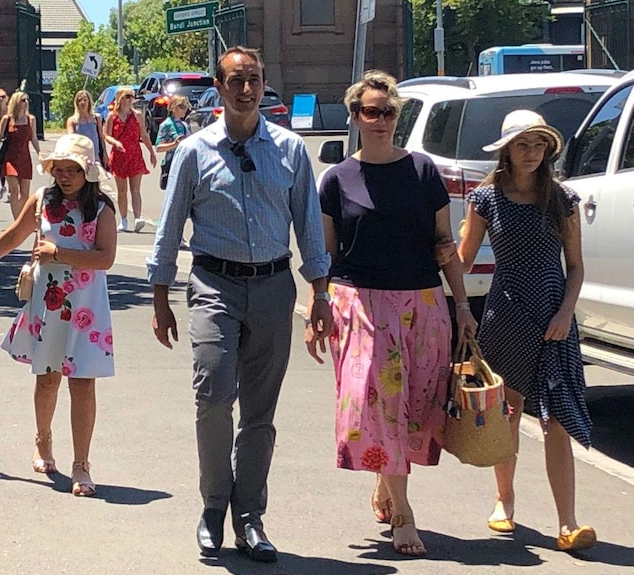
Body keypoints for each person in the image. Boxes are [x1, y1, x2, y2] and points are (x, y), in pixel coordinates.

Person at [147, 46, 332, 563]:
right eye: (235, 81)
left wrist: (320, 293)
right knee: (211, 395)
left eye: (253, 80)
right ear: (219, 88)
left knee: (260, 411)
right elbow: (168, 229)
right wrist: (159, 298)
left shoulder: (292, 151)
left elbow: (309, 228)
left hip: (274, 289)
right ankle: (213, 507)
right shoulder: (194, 151)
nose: (245, 89)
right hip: (213, 285)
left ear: (263, 84)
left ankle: (250, 516)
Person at [305, 70, 477, 557]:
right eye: (369, 111)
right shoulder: (336, 179)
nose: (379, 120)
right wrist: (314, 307)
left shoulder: (422, 171)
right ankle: (404, 512)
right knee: (377, 403)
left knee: (416, 408)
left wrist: (462, 305)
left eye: (388, 111)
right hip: (359, 302)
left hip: (422, 302)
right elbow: (325, 254)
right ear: (355, 116)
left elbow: (444, 245)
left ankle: (386, 483)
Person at [458, 110, 595, 551]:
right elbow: (461, 261)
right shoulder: (486, 199)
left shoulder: (563, 199)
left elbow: (575, 268)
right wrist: (446, 300)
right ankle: (505, 500)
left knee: (558, 420)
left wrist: (564, 313)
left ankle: (568, 523)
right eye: (523, 145)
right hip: (505, 315)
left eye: (539, 145)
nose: (532, 153)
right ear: (506, 151)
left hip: (554, 317)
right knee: (509, 412)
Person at [0, 134, 116, 496]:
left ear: (87, 173)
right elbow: (14, 236)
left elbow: (105, 259)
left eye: (71, 170)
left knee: (82, 382)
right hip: (49, 304)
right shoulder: (42, 201)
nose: (63, 176)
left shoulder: (102, 208)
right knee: (47, 378)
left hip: (86, 309)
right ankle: (43, 439)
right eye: (58, 169)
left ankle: (81, 464)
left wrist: (58, 252)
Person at [104, 86, 156, 233]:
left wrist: (151, 152)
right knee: (122, 190)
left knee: (135, 190)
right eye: (127, 96)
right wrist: (115, 143)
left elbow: (144, 136)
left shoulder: (138, 115)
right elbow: (106, 135)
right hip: (119, 155)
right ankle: (124, 219)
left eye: (132, 96)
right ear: (120, 98)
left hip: (134, 154)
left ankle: (138, 218)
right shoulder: (112, 116)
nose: (130, 99)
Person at [0, 91, 40, 220]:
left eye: (27, 100)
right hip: (10, 159)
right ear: (16, 102)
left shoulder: (31, 119)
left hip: (25, 158)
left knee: (25, 193)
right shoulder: (7, 119)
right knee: (14, 190)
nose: (26, 103)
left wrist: (40, 153)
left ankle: (22, 219)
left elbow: (34, 138)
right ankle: (16, 220)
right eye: (23, 100)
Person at [154, 95, 192, 248]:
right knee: (175, 200)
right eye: (182, 106)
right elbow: (158, 147)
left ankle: (178, 234)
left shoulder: (184, 125)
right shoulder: (167, 125)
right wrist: (174, 144)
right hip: (172, 165)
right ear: (173, 108)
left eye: (185, 107)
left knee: (187, 201)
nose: (184, 110)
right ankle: (173, 235)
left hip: (185, 164)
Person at [66, 90, 107, 168]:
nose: (83, 102)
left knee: (95, 179)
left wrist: (105, 155)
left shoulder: (96, 118)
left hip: (95, 156)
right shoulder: (72, 120)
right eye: (80, 100)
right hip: (79, 157)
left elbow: (101, 138)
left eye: (85, 100)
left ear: (89, 102)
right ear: (76, 103)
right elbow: (71, 139)